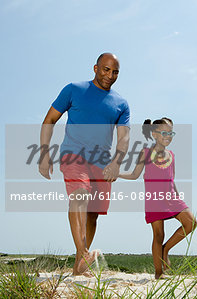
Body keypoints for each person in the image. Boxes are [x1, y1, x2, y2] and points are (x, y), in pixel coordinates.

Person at [39, 53, 130, 276]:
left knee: (93, 213)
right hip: (73, 155)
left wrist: (117, 162)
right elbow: (50, 119)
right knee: (79, 196)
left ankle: (80, 263)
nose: (110, 75)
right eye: (106, 69)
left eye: (115, 72)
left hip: (101, 162)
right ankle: (84, 252)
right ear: (95, 68)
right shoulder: (74, 89)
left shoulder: (121, 103)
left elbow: (124, 137)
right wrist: (44, 153)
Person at [119, 117, 197, 279]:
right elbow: (134, 175)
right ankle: (158, 272)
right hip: (154, 200)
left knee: (191, 223)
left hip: (171, 197)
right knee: (158, 235)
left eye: (171, 133)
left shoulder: (172, 155)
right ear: (154, 134)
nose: (168, 136)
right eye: (164, 133)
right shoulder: (145, 153)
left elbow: (171, 179)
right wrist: (117, 173)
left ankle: (165, 249)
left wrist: (177, 198)